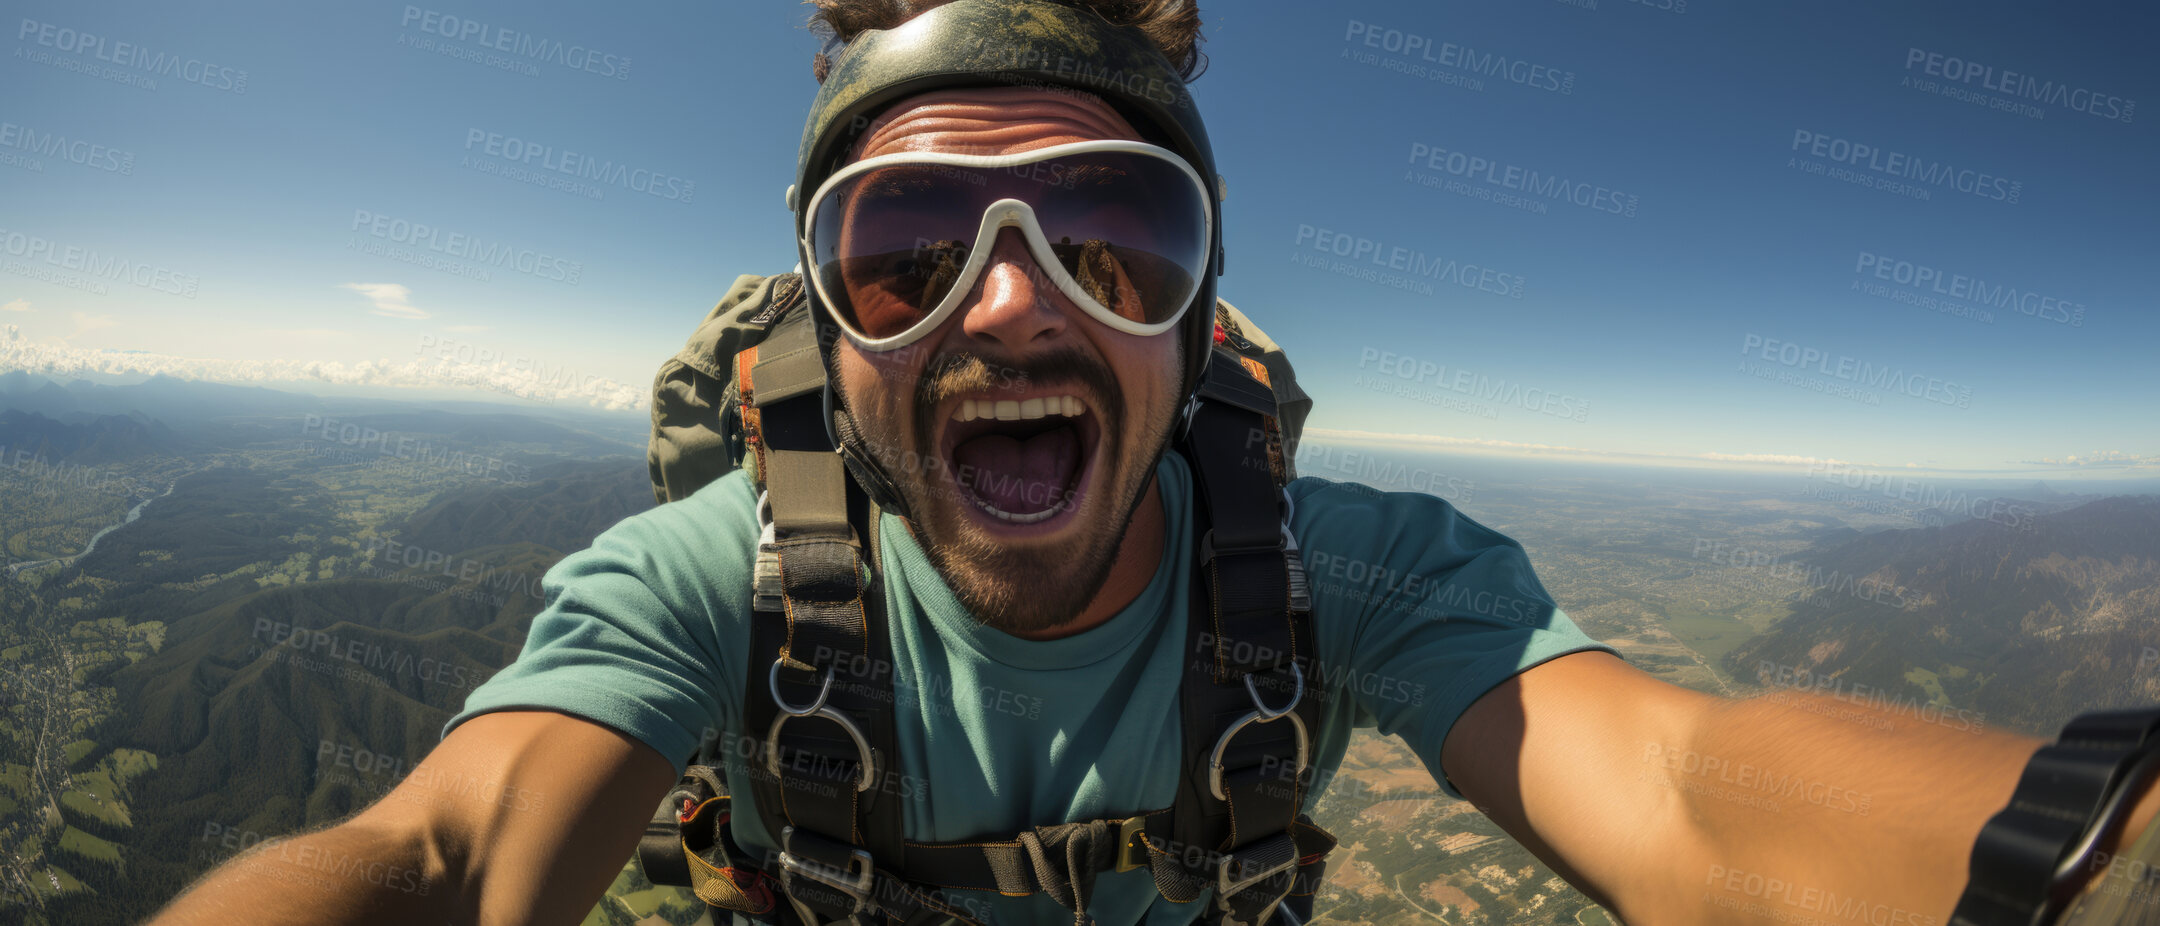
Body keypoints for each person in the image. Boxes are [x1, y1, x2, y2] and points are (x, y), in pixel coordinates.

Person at [150, 2, 2160, 925]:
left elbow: (1695, 791)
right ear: (835, 340)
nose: (1011, 313)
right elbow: (435, 852)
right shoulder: (714, 576)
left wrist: (2105, 841)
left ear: (1198, 326)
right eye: (907, 252)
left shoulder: (1347, 574)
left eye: (1114, 235)